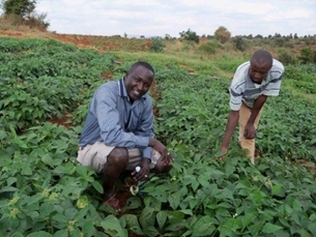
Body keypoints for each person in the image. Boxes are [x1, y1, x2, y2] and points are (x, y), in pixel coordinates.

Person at [77, 61, 173, 209]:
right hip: (92, 147)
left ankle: (128, 176)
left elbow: (146, 132)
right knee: (119, 155)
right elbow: (111, 136)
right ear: (127, 76)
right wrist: (151, 142)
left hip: (124, 146)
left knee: (164, 162)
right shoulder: (107, 93)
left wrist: (146, 160)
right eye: (137, 80)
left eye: (146, 85)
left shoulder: (146, 101)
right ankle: (107, 193)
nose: (140, 88)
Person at [220, 50, 284, 164]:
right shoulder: (238, 83)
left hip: (257, 99)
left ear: (269, 69)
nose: (257, 75)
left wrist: (251, 123)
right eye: (254, 70)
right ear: (250, 65)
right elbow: (234, 114)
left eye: (262, 72)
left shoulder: (277, 70)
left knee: (249, 129)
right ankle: (250, 169)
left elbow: (263, 96)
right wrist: (224, 147)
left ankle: (243, 148)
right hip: (243, 100)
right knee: (248, 136)